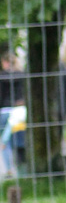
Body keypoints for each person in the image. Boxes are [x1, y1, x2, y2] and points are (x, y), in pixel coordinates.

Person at [0, 44, 24, 177]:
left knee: (5, 141)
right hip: (19, 111)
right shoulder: (22, 75)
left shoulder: (2, 76)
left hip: (4, 111)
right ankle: (21, 168)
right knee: (19, 140)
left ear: (5, 62)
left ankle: (9, 169)